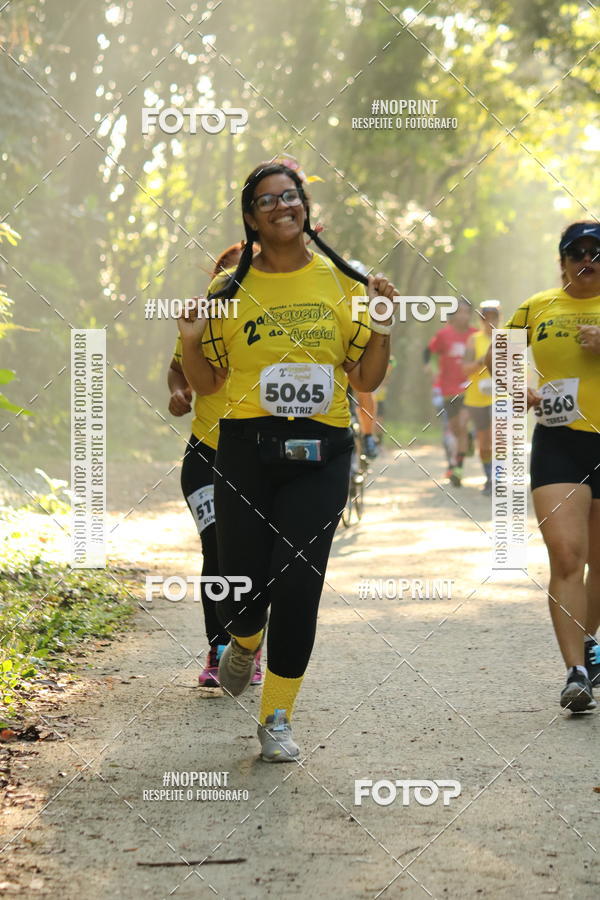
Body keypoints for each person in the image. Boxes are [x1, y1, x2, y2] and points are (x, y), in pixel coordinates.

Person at [177, 161, 396, 760]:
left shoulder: (344, 286)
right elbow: (207, 381)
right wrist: (192, 341)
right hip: (244, 450)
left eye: (290, 196)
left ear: (305, 210)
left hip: (321, 451)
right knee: (242, 583)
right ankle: (244, 637)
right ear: (251, 218)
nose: (281, 206)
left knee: (299, 581)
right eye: (266, 200)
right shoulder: (227, 295)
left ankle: (276, 715)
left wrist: (382, 328)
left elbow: (366, 375)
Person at [492, 221, 600, 711]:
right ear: (562, 261)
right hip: (560, 443)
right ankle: (575, 672)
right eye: (575, 252)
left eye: (596, 252)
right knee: (565, 556)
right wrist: (521, 388)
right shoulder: (538, 305)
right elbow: (502, 356)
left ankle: (588, 642)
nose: (586, 260)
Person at [168, 243, 263, 688]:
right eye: (222, 275)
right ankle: (219, 647)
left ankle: (248, 644)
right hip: (206, 455)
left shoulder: (274, 320)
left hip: (260, 455)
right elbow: (176, 368)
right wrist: (179, 391)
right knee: (216, 549)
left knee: (255, 558)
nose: (228, 284)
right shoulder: (202, 317)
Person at [425, 300, 477, 486]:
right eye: (460, 312)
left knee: (462, 425)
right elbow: (428, 352)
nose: (463, 316)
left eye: (467, 312)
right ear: (453, 315)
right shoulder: (443, 334)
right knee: (454, 429)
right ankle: (467, 442)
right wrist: (429, 368)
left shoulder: (475, 335)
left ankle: (458, 469)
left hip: (469, 388)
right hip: (448, 389)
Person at [462, 301, 500, 495]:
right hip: (476, 398)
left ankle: (498, 478)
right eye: (486, 317)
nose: (490, 321)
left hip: (500, 397)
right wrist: (481, 361)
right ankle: (489, 478)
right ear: (481, 319)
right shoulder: (473, 340)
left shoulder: (506, 340)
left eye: (494, 317)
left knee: (497, 438)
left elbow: (520, 370)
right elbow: (464, 368)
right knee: (484, 443)